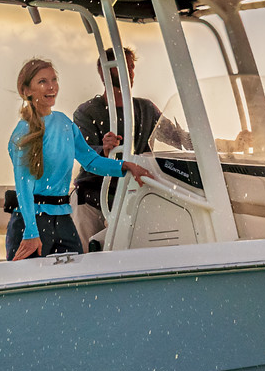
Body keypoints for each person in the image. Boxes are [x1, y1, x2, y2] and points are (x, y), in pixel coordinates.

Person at [7, 57, 133, 260]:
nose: (51, 87)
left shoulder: (64, 124)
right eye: (42, 81)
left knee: (75, 280)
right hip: (31, 223)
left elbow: (91, 161)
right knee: (34, 285)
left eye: (54, 80)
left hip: (63, 220)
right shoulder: (23, 134)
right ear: (26, 91)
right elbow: (24, 187)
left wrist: (125, 166)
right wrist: (31, 232)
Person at [69, 48, 193, 247]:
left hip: (130, 199)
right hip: (91, 199)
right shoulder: (86, 112)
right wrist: (104, 150)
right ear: (103, 71)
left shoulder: (145, 109)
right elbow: (87, 154)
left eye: (131, 67)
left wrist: (228, 144)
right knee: (84, 258)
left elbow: (181, 139)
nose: (130, 72)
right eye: (122, 67)